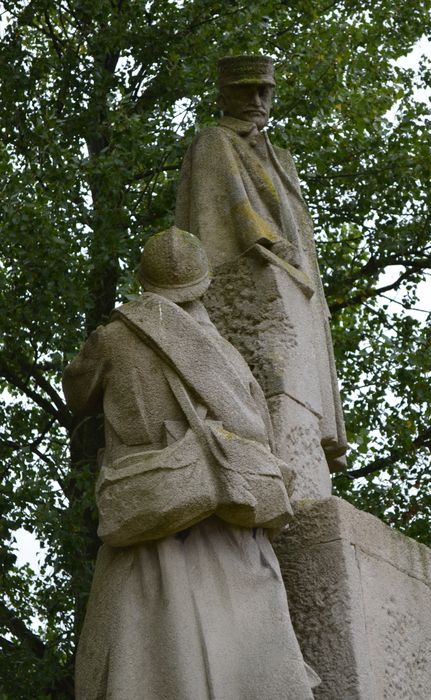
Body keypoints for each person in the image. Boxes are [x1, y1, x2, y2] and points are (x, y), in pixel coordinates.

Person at [63, 226, 320, 699]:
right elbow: (258, 431)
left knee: (154, 653)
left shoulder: (114, 338)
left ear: (147, 283)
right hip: (230, 522)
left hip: (153, 514)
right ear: (202, 285)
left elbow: (76, 389)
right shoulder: (228, 357)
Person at [175, 55, 347, 491]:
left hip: (295, 285)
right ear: (223, 95)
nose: (255, 100)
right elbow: (220, 212)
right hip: (249, 274)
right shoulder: (213, 141)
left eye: (263, 90)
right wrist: (265, 242)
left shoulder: (282, 159)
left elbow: (299, 230)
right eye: (244, 90)